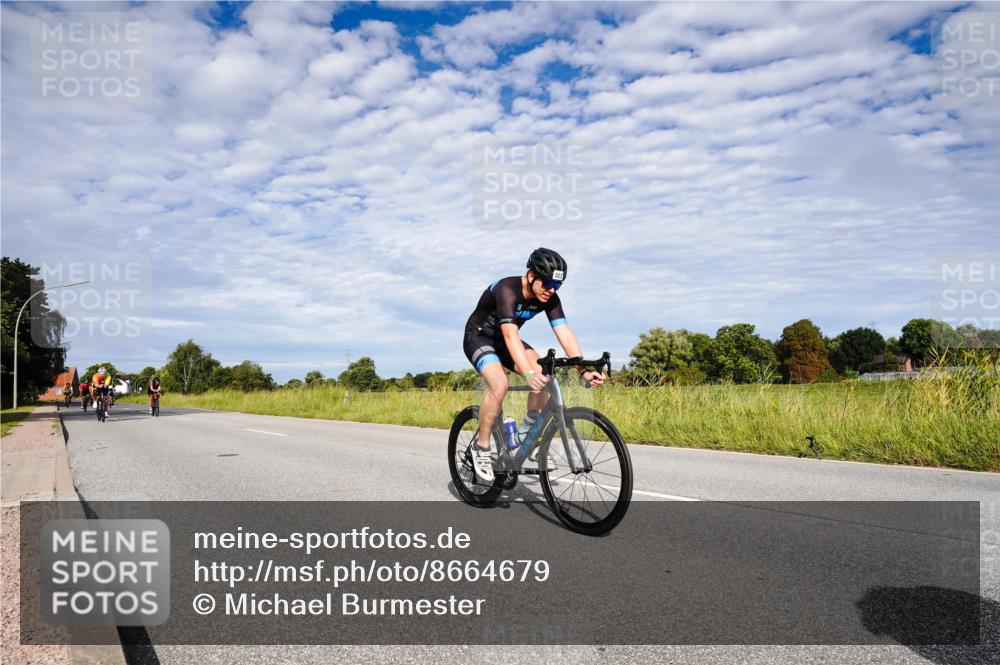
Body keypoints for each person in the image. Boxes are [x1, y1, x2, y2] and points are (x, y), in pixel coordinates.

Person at [462, 248, 605, 482]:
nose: (552, 290)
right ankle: (482, 447)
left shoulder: (550, 298)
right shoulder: (507, 290)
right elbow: (510, 336)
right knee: (500, 384)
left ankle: (526, 434)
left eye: (557, 285)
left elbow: (565, 333)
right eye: (547, 283)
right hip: (479, 338)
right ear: (531, 276)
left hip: (507, 339)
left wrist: (584, 371)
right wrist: (528, 373)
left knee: (545, 375)